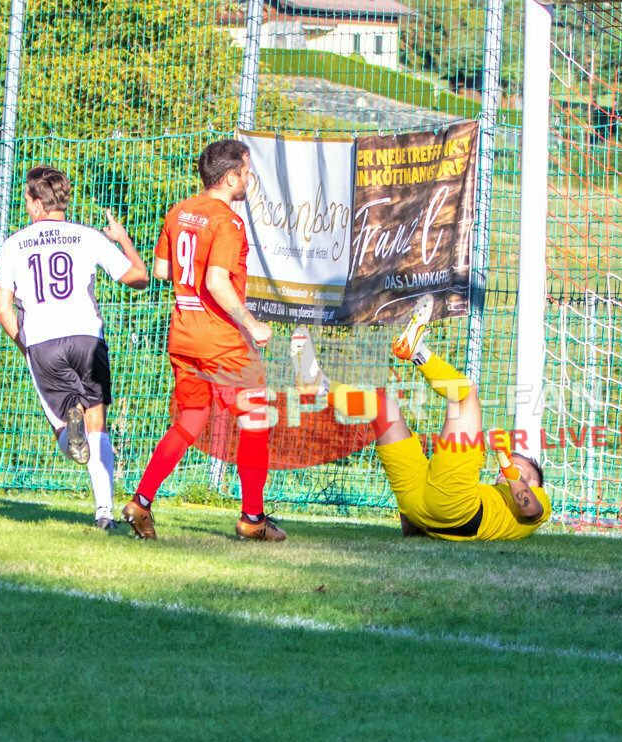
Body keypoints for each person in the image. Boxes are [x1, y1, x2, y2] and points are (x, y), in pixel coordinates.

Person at [121, 139, 285, 542]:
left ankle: (141, 502)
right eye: (247, 172)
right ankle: (252, 518)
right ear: (231, 178)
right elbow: (215, 280)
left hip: (184, 335)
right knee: (255, 420)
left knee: (191, 419)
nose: (250, 179)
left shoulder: (180, 210)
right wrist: (253, 324)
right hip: (222, 342)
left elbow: (161, 270)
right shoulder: (227, 221)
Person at [290, 295, 551, 540]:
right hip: (422, 509)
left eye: (519, 471)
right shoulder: (492, 494)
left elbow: (530, 510)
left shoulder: (540, 504)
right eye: (508, 468)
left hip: (457, 510)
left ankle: (417, 353)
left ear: (534, 483)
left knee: (465, 395)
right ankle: (319, 385)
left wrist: (506, 460)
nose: (506, 473)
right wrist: (413, 514)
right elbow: (413, 530)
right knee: (384, 411)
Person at [0, 165, 149, 529]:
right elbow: (140, 278)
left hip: (44, 339)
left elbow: (3, 308)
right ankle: (104, 513)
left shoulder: (14, 244)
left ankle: (70, 435)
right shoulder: (87, 236)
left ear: (35, 204)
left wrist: (27, 347)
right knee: (99, 427)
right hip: (87, 337)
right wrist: (122, 239)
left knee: (65, 431)